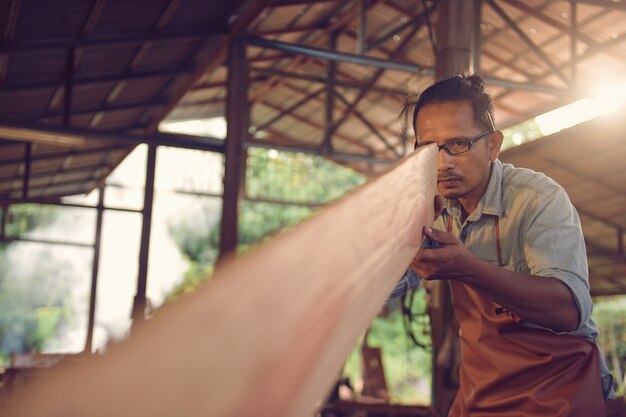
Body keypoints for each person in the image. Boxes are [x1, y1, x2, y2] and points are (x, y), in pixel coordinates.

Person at [391, 74, 615, 416]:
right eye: (428, 149)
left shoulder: (537, 199)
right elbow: (385, 282)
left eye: (458, 145)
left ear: (493, 145)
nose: (442, 163)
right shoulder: (432, 208)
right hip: (484, 391)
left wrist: (469, 269)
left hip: (560, 388)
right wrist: (384, 244)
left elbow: (569, 310)